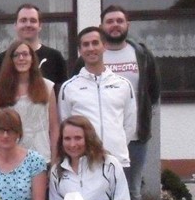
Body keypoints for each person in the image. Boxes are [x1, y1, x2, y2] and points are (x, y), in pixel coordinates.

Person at [99, 5, 161, 200]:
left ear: (127, 25)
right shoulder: (94, 54)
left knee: (132, 190)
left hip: (135, 138)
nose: (115, 25)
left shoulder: (142, 55)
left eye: (119, 20)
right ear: (102, 26)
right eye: (110, 21)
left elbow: (153, 92)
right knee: (102, 191)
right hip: (101, 139)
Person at [57, 27, 136, 168]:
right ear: (80, 50)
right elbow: (65, 124)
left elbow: (129, 124)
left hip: (117, 161)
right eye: (86, 44)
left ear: (104, 46)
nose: (91, 48)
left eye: (95, 43)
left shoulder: (123, 85)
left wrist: (116, 145)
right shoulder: (68, 88)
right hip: (84, 162)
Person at [0, 41, 59, 164]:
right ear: (10, 60)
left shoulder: (47, 87)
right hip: (9, 161)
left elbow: (54, 127)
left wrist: (54, 161)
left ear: (32, 59)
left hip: (42, 159)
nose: (21, 58)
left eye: (25, 54)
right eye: (16, 55)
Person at [0, 4, 68, 90]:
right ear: (15, 25)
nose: (28, 24)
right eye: (23, 20)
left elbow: (61, 93)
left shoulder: (55, 58)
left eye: (33, 21)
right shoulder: (2, 60)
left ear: (40, 26)